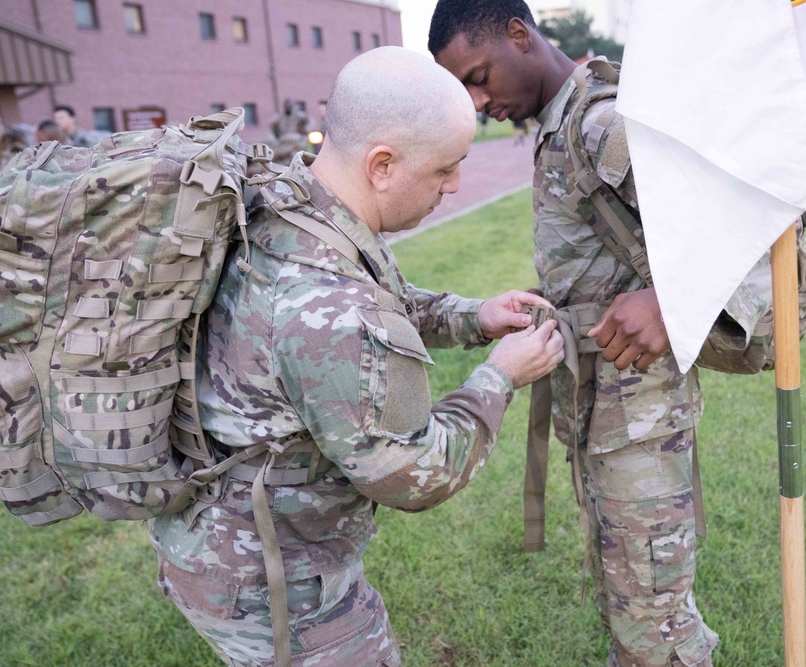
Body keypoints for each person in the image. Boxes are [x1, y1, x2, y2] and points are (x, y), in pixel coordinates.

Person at [149, 45, 564, 667]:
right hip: (274, 583)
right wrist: (500, 376)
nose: (454, 185)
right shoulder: (333, 308)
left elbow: (382, 302)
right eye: (445, 170)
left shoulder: (290, 204)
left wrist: (473, 316)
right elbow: (414, 475)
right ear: (383, 165)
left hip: (218, 539)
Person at [430, 2, 777, 665]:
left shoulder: (598, 123)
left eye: (479, 77)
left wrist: (672, 305)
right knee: (630, 604)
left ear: (517, 34)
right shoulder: (561, 121)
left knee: (658, 632)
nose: (479, 102)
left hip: (639, 429)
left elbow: (753, 213)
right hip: (604, 416)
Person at [270, 98, 311, 164]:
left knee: (296, 156)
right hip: (283, 142)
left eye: (290, 105)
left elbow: (307, 123)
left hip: (295, 140)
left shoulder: (298, 116)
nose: (288, 107)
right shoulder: (279, 117)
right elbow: (273, 128)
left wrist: (303, 134)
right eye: (287, 105)